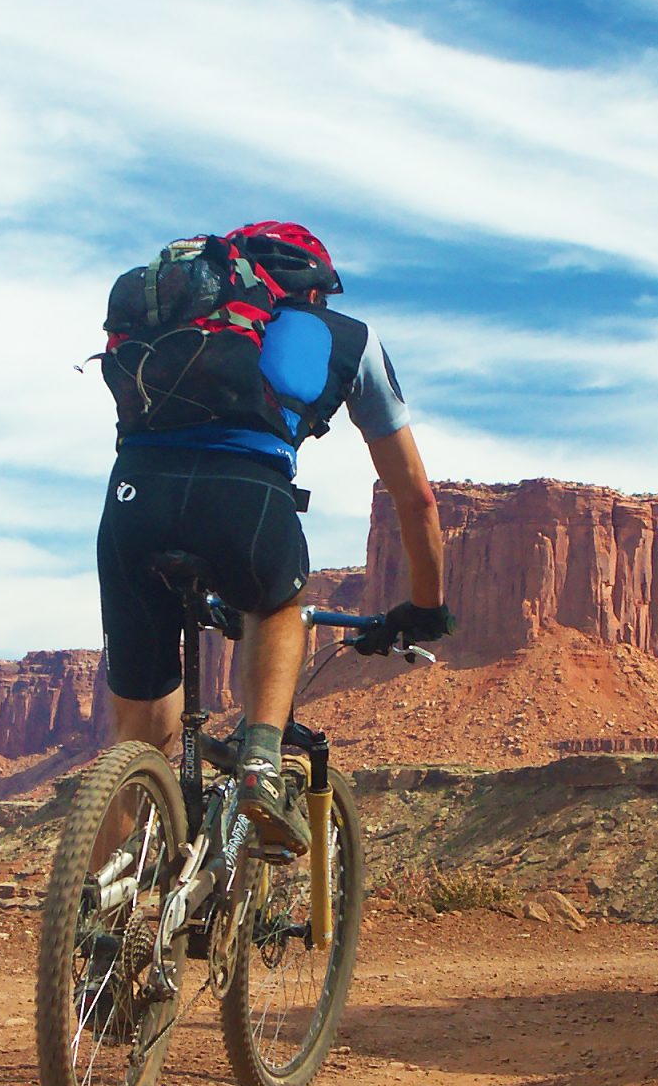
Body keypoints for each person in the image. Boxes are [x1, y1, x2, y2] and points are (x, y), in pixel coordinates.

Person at [96, 221, 453, 851]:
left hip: (132, 502)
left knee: (139, 739)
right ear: (317, 292)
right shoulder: (351, 339)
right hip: (246, 497)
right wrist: (425, 609)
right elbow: (416, 496)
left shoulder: (187, 321)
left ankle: (93, 923)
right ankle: (261, 757)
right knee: (279, 603)